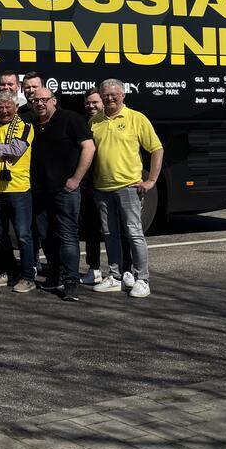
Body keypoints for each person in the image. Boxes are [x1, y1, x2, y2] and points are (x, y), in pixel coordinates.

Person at [91, 79, 163, 298]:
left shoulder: (136, 118)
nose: (109, 98)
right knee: (109, 234)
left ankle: (142, 279)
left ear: (123, 95)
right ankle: (115, 276)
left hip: (128, 187)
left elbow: (156, 148)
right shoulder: (95, 120)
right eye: (105, 95)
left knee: (133, 233)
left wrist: (151, 180)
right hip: (102, 188)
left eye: (114, 94)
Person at [29, 87, 95, 302]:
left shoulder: (70, 119)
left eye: (44, 100)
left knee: (67, 236)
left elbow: (89, 148)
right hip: (40, 191)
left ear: (54, 100)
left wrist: (76, 179)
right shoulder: (34, 124)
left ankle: (70, 283)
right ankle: (54, 276)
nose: (40, 103)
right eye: (36, 100)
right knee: (46, 236)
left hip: (65, 191)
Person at [0, 91, 37, 293]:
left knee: (23, 235)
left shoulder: (25, 126)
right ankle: (9, 271)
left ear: (16, 108)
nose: (4, 110)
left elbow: (15, 150)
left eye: (8, 107)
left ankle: (28, 277)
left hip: (18, 188)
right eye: (0, 107)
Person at [80, 89, 106, 285]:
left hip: (109, 183)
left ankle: (122, 269)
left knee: (115, 230)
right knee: (92, 229)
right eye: (88, 103)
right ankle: (94, 268)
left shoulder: (108, 121)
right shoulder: (86, 123)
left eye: (95, 102)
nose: (91, 106)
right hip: (90, 185)